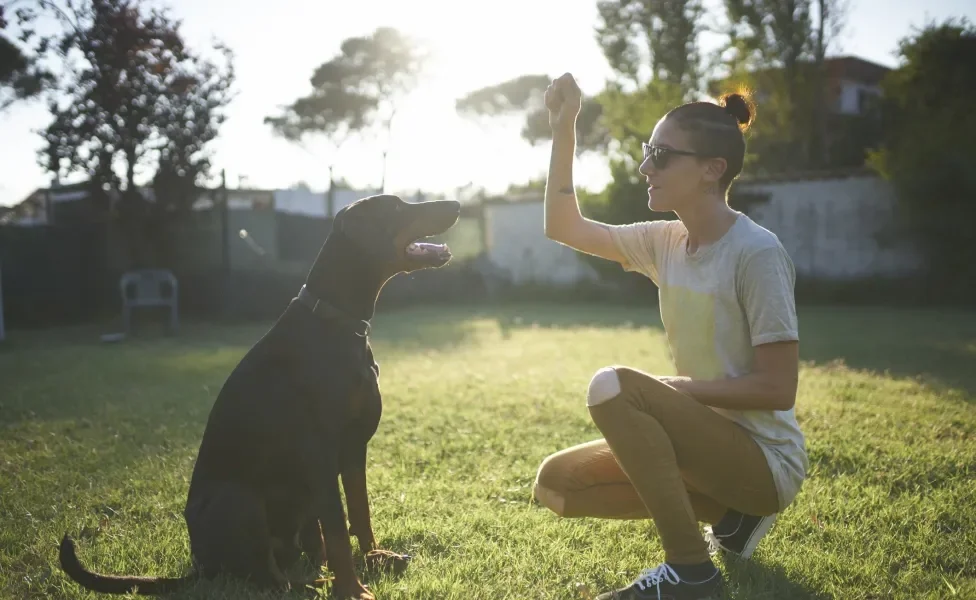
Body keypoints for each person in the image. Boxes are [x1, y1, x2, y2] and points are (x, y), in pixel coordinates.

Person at [532, 73, 808, 600]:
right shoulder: (665, 241)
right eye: (646, 151)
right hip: (701, 444)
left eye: (660, 154)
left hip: (764, 463)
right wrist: (565, 125)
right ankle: (732, 521)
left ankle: (691, 573)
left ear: (712, 170)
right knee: (558, 485)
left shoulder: (758, 253)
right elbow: (564, 226)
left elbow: (778, 389)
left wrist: (676, 390)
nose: (645, 167)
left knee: (612, 386)